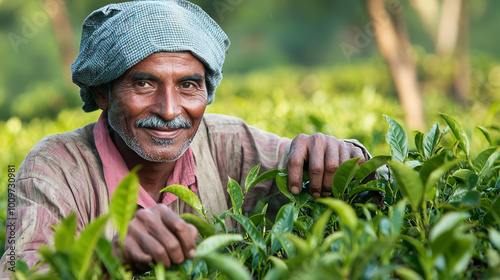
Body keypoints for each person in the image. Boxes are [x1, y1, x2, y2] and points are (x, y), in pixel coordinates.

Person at [0, 0, 374, 275]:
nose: (169, 110)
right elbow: (20, 271)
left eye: (189, 85)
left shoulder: (229, 142)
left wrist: (345, 160)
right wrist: (104, 254)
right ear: (102, 93)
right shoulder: (51, 167)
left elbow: (367, 184)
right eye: (143, 83)